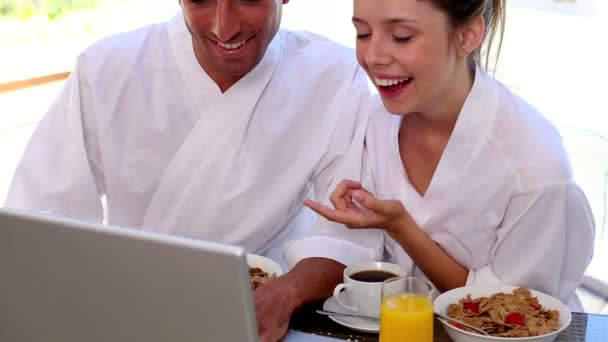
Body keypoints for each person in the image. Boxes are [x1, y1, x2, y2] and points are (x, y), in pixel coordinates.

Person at [5, 1, 385, 341]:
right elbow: (40, 219)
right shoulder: (107, 69)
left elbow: (349, 231)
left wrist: (283, 295)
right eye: (201, 1)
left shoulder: (332, 74)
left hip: (269, 311)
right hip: (126, 301)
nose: (224, 27)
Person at [303, 0, 595, 311]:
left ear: (467, 35)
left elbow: (509, 315)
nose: (372, 57)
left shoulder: (534, 168)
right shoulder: (373, 120)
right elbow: (350, 255)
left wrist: (402, 227)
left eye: (401, 36)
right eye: (363, 33)